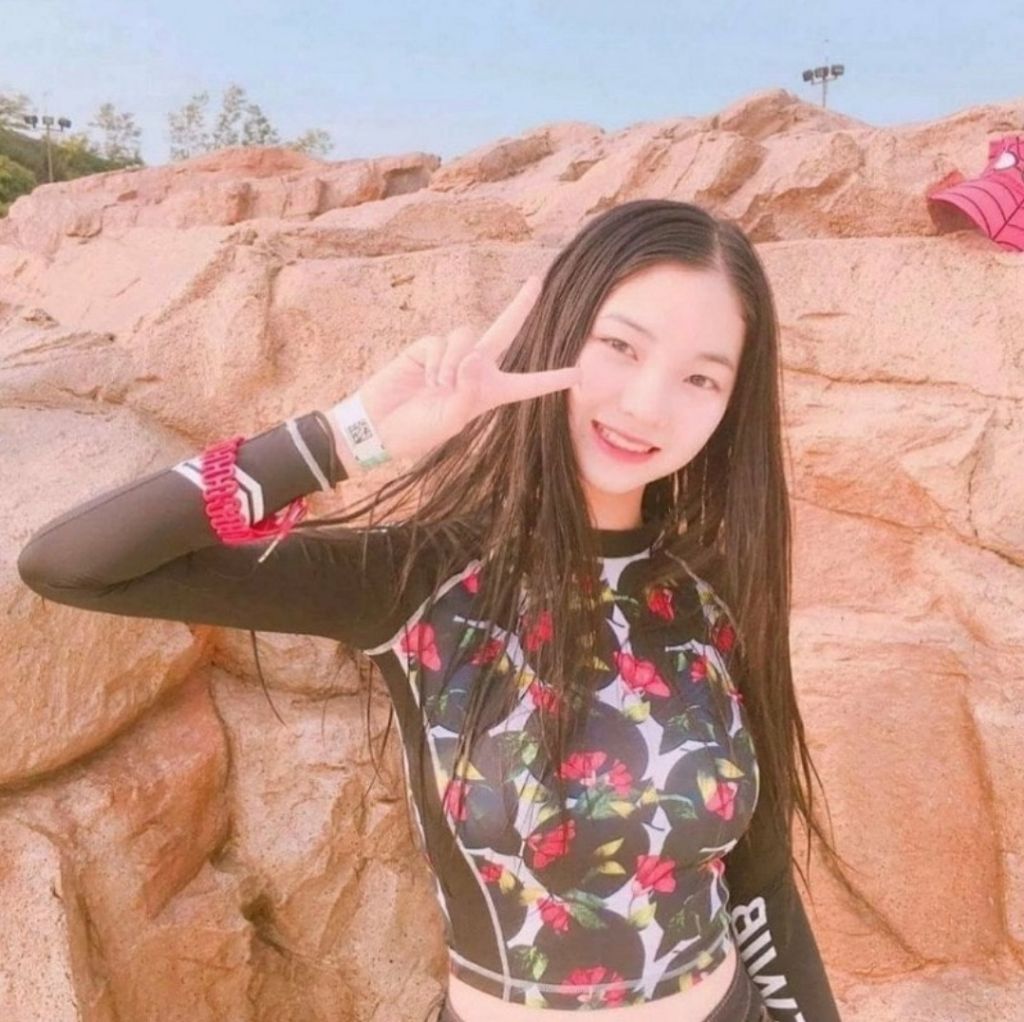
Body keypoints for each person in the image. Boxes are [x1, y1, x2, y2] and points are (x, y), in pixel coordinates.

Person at [17, 199, 843, 1022]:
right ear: (559, 333)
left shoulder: (714, 593)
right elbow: (76, 565)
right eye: (621, 347)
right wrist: (347, 437)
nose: (647, 402)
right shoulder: (423, 580)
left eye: (702, 378)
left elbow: (761, 883)